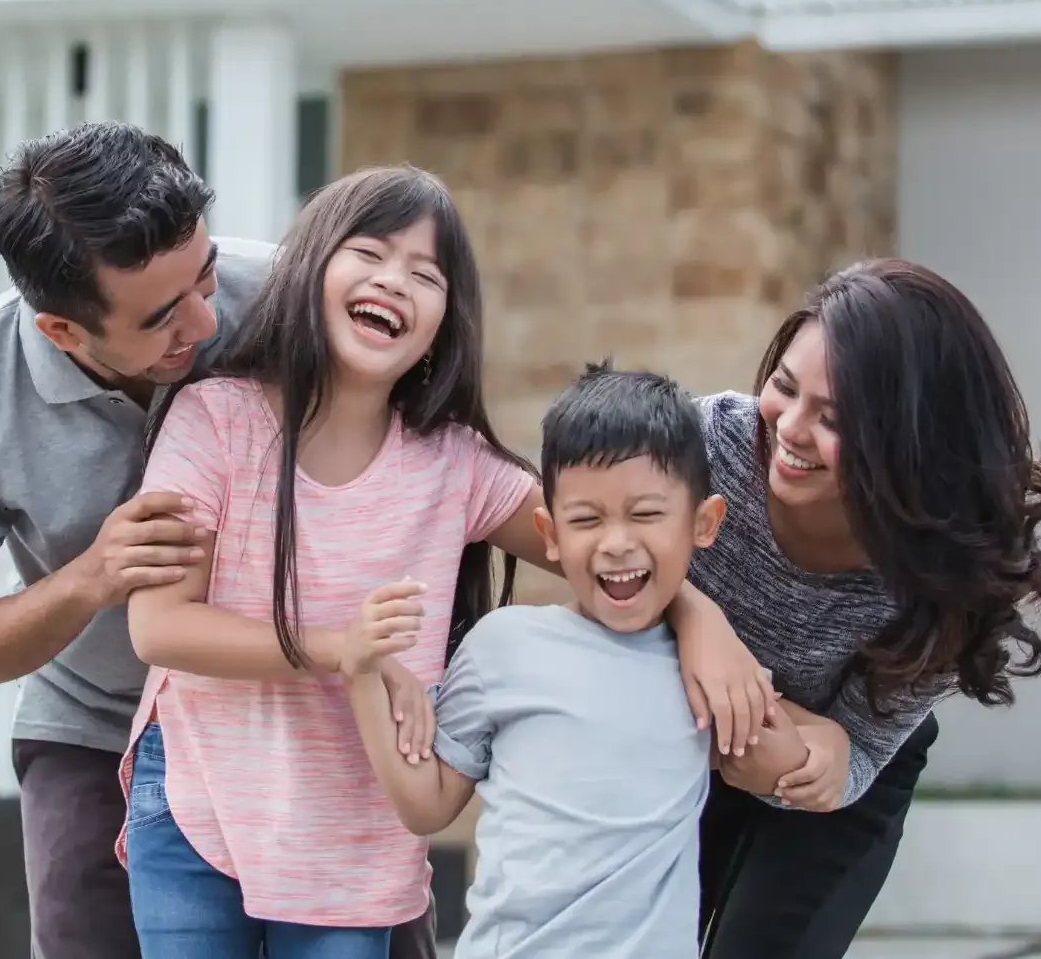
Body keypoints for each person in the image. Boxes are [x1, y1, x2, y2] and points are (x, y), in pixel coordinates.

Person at [113, 168, 775, 959]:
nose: (395, 282)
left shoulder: (455, 464)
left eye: (426, 274)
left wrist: (700, 616)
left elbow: (594, 542)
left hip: (357, 829)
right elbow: (158, 626)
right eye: (371, 254)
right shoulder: (215, 418)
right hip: (201, 795)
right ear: (310, 267)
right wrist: (338, 649)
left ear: (442, 323)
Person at [0, 122, 301, 959]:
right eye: (160, 318)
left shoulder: (294, 296)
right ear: (63, 333)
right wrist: (89, 579)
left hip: (298, 711)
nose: (207, 320)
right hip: (101, 726)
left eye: (207, 276)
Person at [671, 258, 1041, 957]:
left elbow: (844, 759)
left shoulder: (951, 575)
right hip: (681, 743)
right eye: (784, 388)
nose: (791, 429)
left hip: (839, 773)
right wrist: (692, 615)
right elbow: (589, 551)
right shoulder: (701, 449)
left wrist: (816, 751)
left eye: (833, 419)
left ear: (912, 438)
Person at [344, 362, 814, 959]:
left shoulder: (707, 671)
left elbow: (786, 761)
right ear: (549, 533)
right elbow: (427, 803)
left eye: (646, 514)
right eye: (587, 519)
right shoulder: (502, 647)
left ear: (704, 523)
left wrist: (831, 751)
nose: (616, 542)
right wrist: (360, 675)